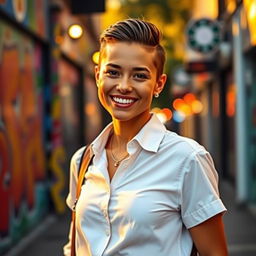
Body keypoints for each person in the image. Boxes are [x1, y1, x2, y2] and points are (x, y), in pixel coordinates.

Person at [63, 18, 228, 256]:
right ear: (98, 75)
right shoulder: (82, 160)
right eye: (113, 72)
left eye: (139, 76)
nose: (124, 86)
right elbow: (75, 246)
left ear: (158, 84)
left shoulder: (188, 159)